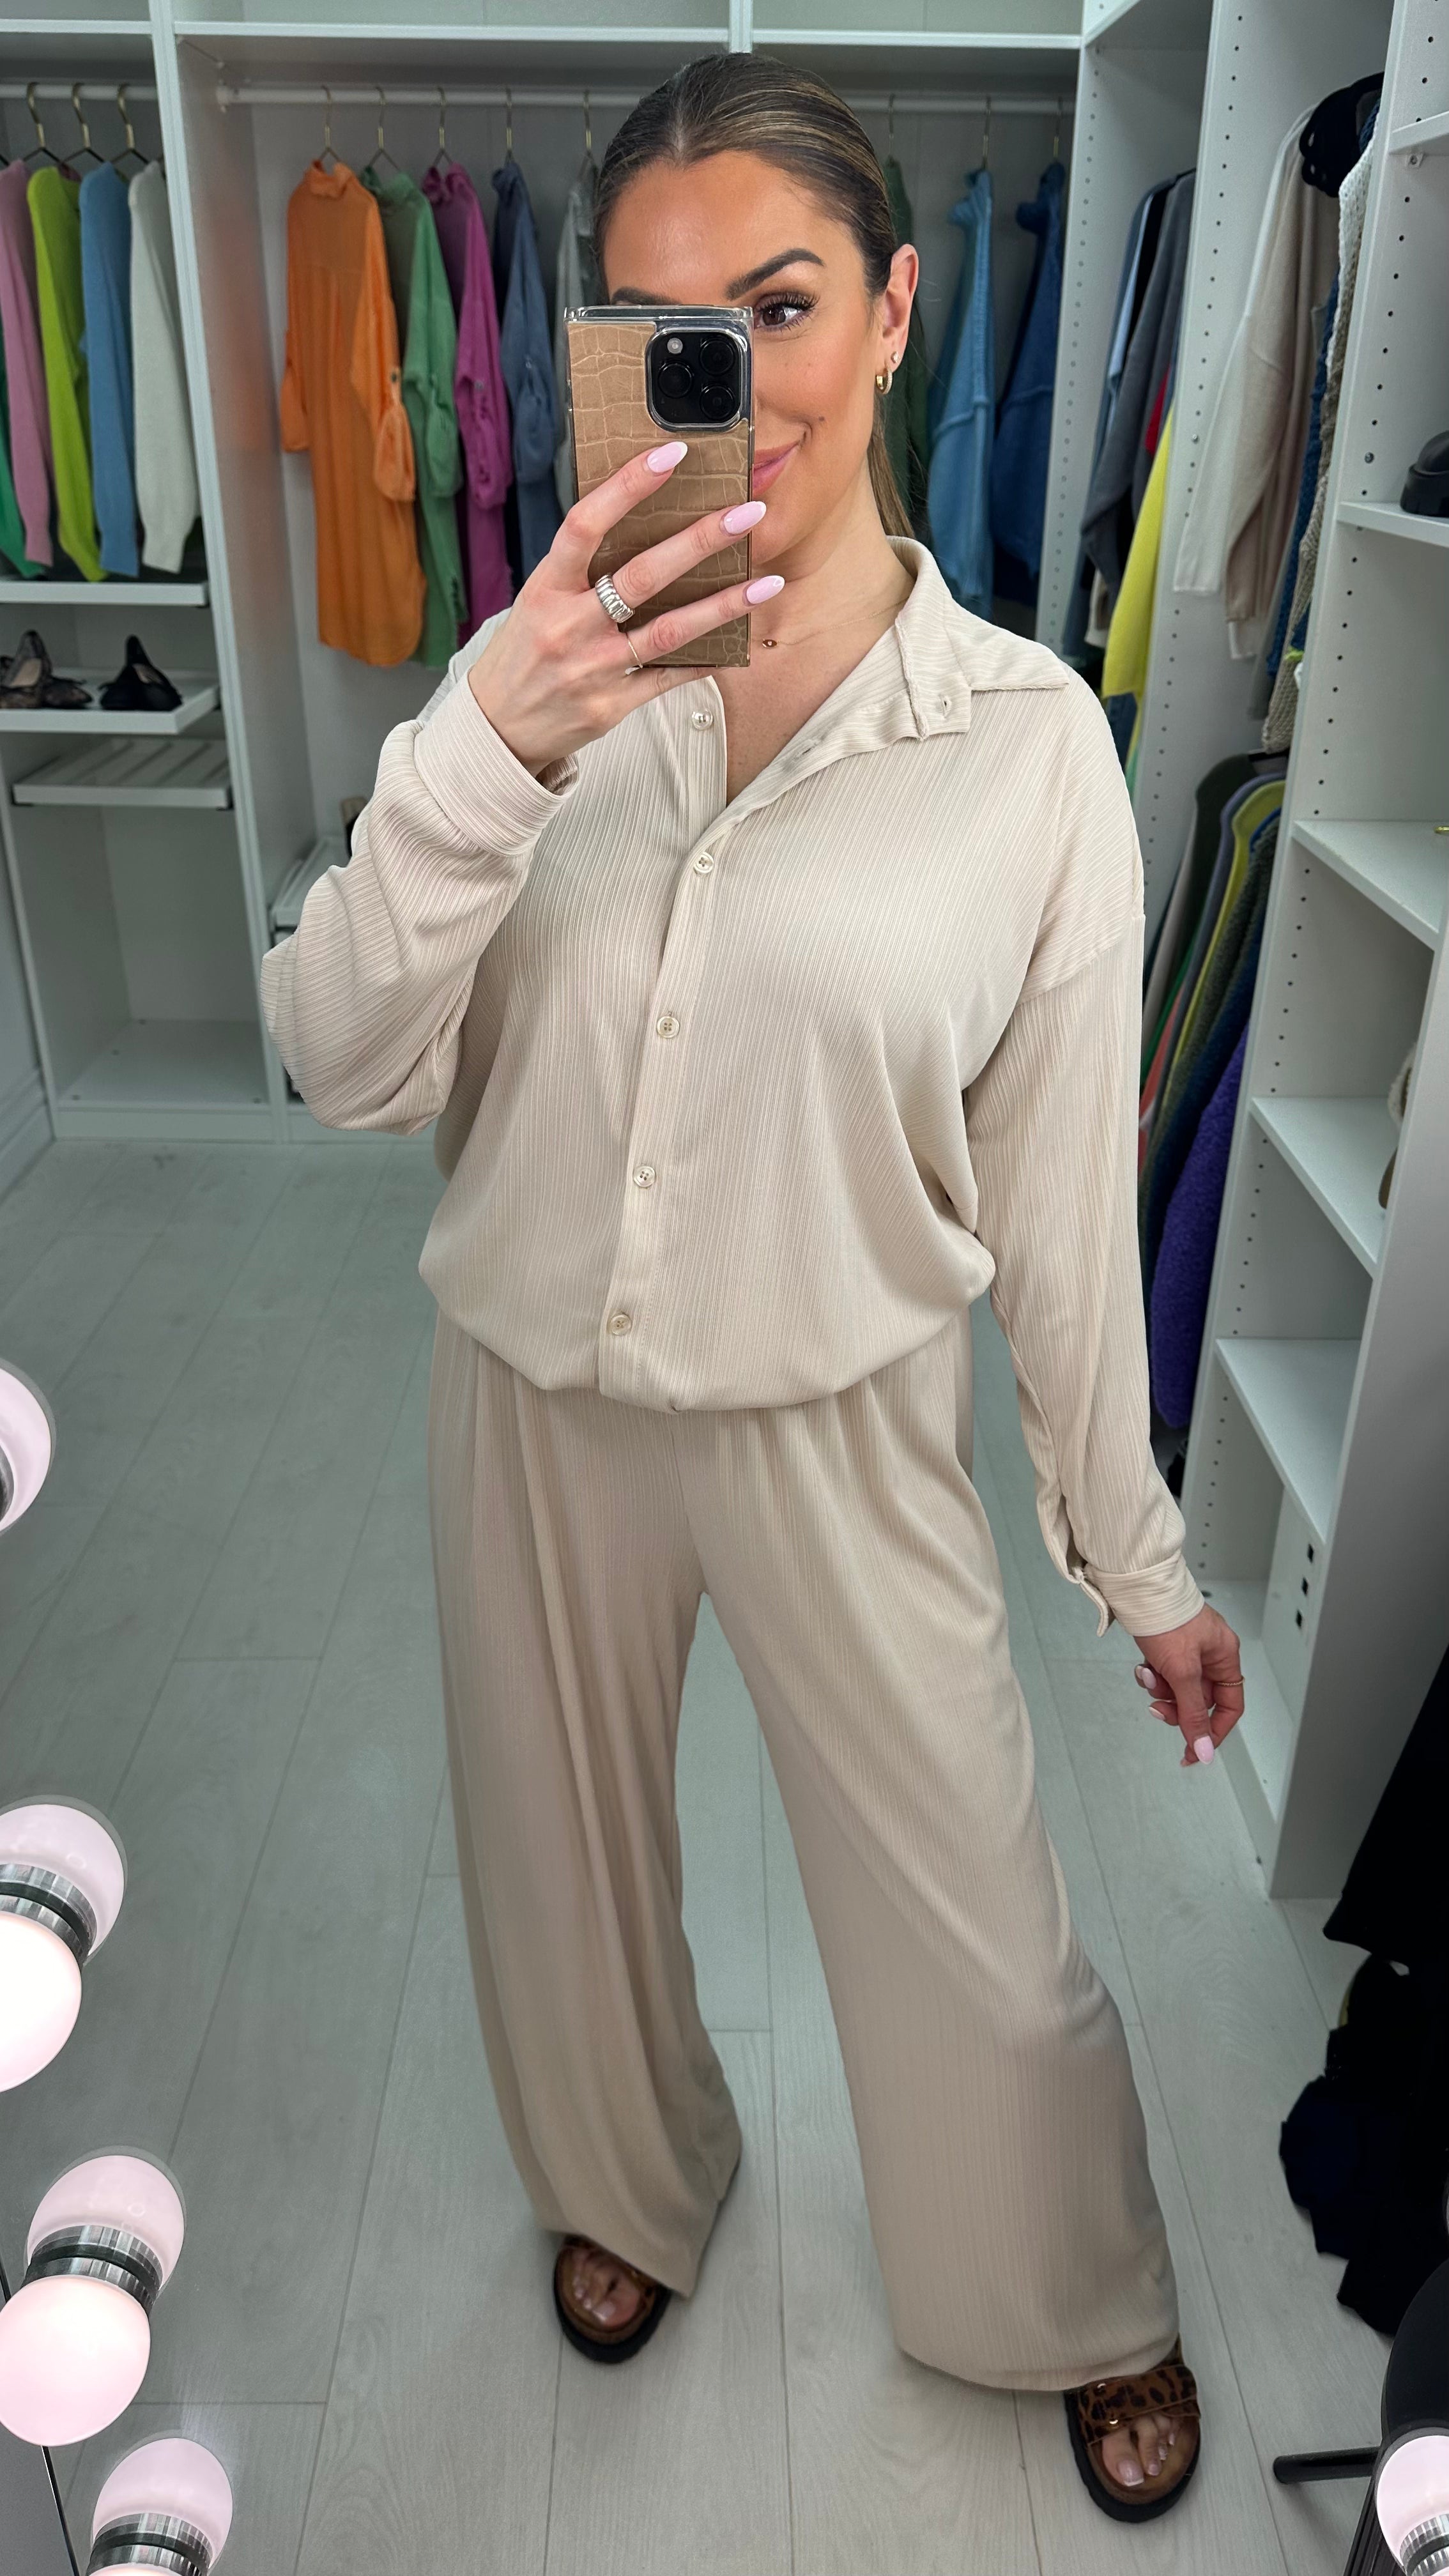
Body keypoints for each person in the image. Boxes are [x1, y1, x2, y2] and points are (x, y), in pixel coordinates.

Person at [259, 51, 1245, 2525]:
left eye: (781, 306)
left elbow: (1055, 1208)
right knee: (554, 1862)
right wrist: (488, 747)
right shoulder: (527, 695)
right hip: (530, 1396)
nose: (736, 382)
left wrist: (1134, 1559)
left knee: (969, 1901)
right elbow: (336, 1061)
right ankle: (625, 2179)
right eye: (662, 330)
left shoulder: (1026, 750)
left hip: (845, 1402)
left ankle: (1065, 2288)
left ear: (898, 311)